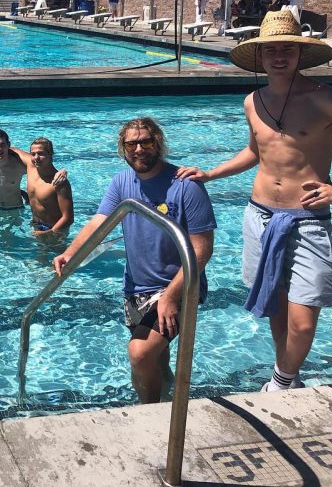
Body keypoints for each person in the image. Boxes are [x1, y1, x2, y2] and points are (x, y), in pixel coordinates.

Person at [176, 10, 332, 393]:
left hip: (308, 221)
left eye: (286, 49)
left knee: (304, 319)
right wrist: (211, 173)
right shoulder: (252, 101)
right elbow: (255, 152)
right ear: (259, 56)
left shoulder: (327, 99)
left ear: (298, 54)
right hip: (259, 216)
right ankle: (286, 376)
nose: (278, 56)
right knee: (275, 304)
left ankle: (280, 380)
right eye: (270, 49)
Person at [54, 118, 216, 404]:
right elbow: (99, 223)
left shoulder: (186, 185)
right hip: (136, 287)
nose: (139, 149)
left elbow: (201, 251)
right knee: (155, 359)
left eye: (146, 141)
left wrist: (169, 297)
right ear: (123, 148)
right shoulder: (121, 182)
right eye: (131, 143)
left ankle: (150, 413)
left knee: (139, 353)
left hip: (179, 285)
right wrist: (71, 252)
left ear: (159, 143)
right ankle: (169, 403)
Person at [11, 138, 74, 238]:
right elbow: (11, 149)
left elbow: (68, 218)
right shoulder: (31, 166)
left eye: (41, 153)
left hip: (54, 230)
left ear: (50, 154)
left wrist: (49, 232)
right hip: (35, 226)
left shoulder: (59, 182)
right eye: (33, 154)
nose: (36, 158)